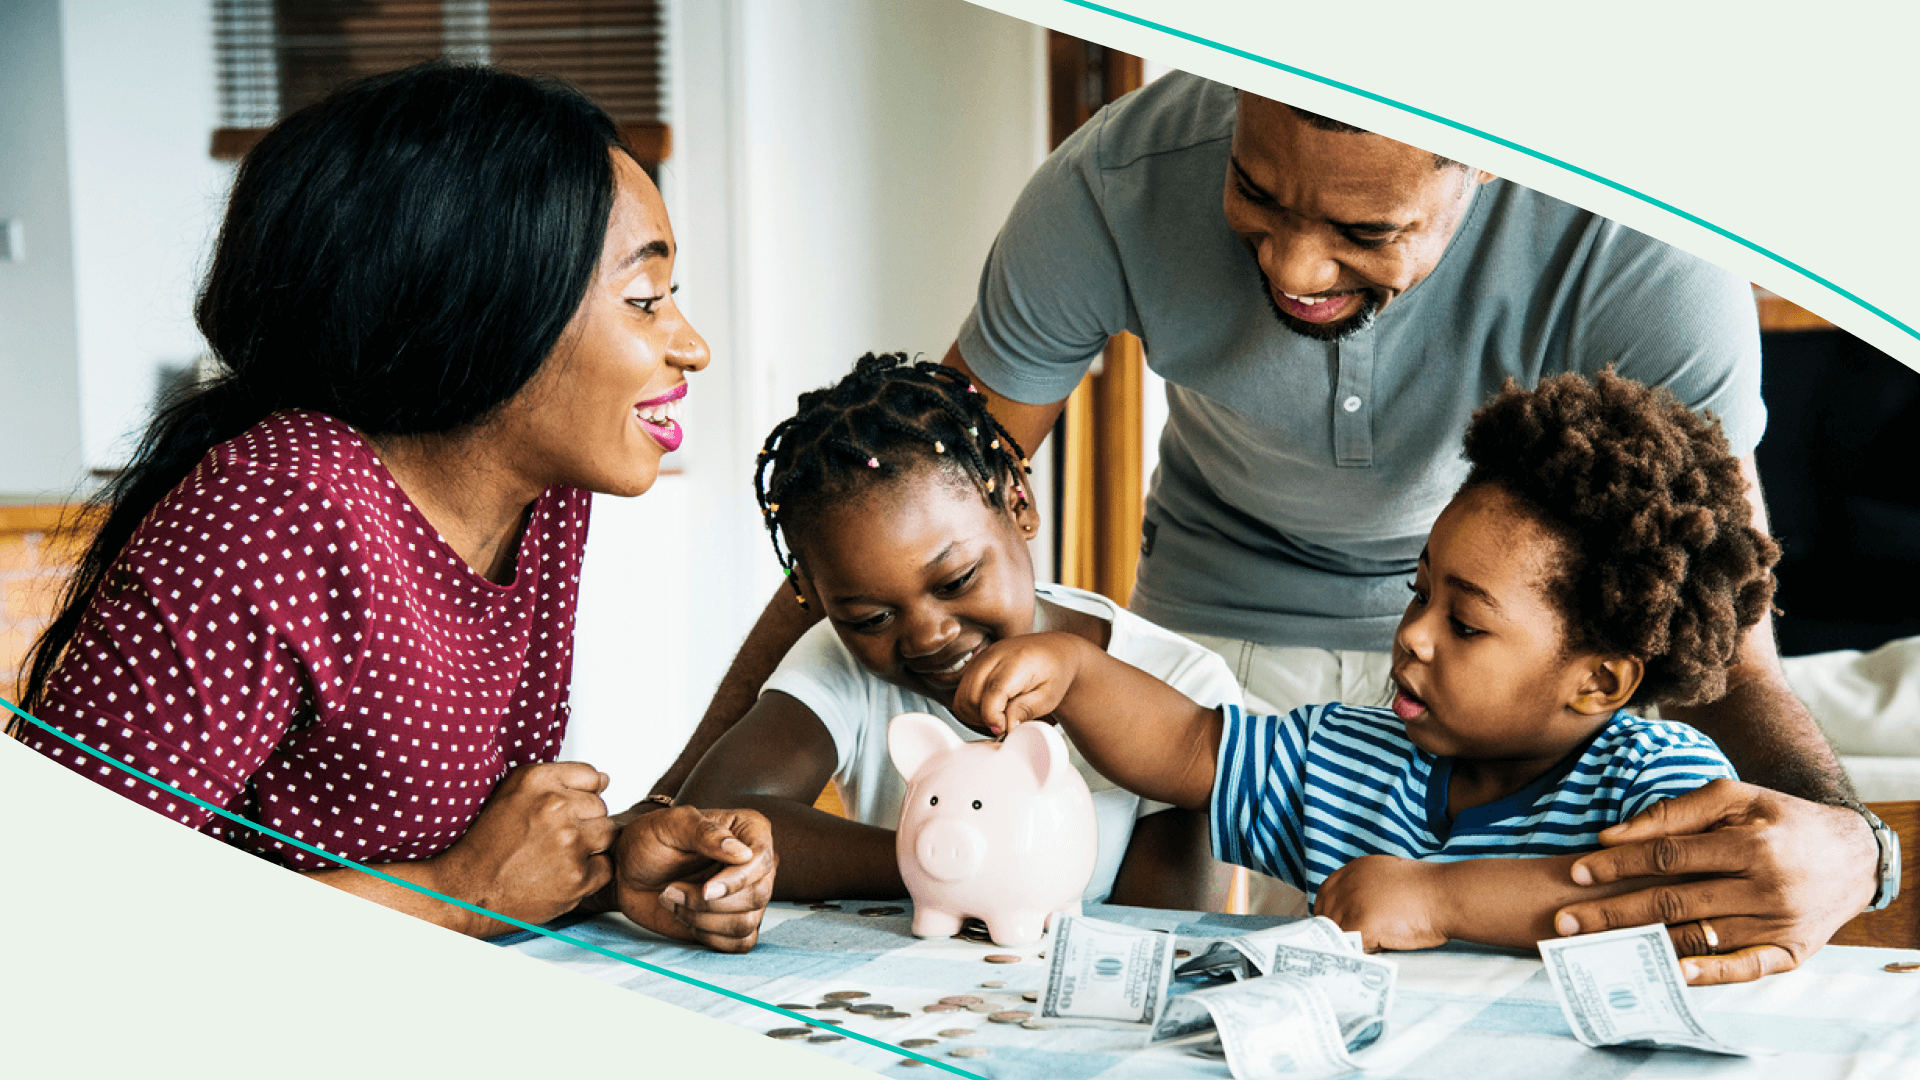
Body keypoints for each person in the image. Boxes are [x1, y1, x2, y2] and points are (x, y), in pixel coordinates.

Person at [656, 72, 1891, 982]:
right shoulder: (1114, 182)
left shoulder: (1652, 256)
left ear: (1494, 158)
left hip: (1516, 660)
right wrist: (659, 820)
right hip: (1218, 637)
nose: (1295, 264)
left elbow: (1727, 640)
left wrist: (1853, 844)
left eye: (1366, 231)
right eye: (1256, 192)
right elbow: (901, 493)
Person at [11, 64, 774, 951]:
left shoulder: (544, 498)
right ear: (484, 305)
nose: (693, 345)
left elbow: (476, 848)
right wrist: (458, 896)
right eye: (644, 299)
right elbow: (50, 916)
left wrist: (608, 866)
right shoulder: (277, 512)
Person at [955, 371, 1773, 969]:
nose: (1414, 636)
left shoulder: (1661, 782)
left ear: (1598, 682)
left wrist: (1436, 898)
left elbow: (1670, 905)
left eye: (1465, 624)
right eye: (1419, 595)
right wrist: (1075, 673)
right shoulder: (1346, 759)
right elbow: (1189, 747)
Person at [676, 353, 1240, 907]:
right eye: (871, 618)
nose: (927, 635)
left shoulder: (1182, 683)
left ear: (1018, 501)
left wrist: (963, 861)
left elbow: (1165, 930)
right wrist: (935, 860)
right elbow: (712, 817)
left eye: (956, 580)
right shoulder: (841, 657)